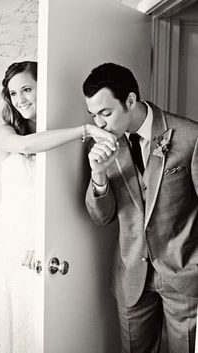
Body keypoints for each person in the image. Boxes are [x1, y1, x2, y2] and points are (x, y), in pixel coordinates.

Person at [0, 60, 116, 353]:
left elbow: (65, 199)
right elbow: (28, 146)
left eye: (27, 89)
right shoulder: (4, 131)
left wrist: (42, 240)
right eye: (13, 94)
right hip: (8, 240)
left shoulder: (58, 133)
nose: (20, 100)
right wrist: (85, 129)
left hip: (42, 241)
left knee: (42, 323)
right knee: (13, 319)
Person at [83, 62, 198, 353]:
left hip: (184, 276)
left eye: (105, 113)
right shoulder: (102, 144)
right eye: (93, 115)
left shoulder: (189, 136)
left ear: (131, 101)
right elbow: (102, 217)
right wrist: (98, 175)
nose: (99, 124)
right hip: (132, 277)